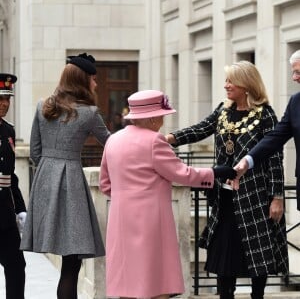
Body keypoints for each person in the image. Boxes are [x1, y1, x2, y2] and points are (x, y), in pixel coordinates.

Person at [165, 61, 289, 299]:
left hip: (256, 196)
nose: (226, 85)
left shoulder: (265, 115)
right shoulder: (223, 110)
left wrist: (277, 197)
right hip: (224, 197)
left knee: (256, 253)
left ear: (246, 84)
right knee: (224, 254)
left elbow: (275, 159)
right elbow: (200, 129)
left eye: (231, 81)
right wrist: (169, 138)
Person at [99, 89, 236, 299]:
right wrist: (216, 172)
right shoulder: (155, 141)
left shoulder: (113, 140)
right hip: (151, 221)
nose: (163, 120)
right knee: (156, 283)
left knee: (127, 282)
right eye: (162, 115)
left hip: (120, 219)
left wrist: (126, 197)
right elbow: (183, 174)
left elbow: (105, 183)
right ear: (153, 117)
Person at [20, 53, 111, 299]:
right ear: (81, 80)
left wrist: (50, 170)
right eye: (93, 78)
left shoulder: (42, 106)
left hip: (44, 182)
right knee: (72, 263)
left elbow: (35, 151)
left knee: (67, 260)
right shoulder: (90, 113)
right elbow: (112, 144)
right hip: (71, 182)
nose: (95, 84)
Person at [235, 50, 300, 211]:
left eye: (298, 72)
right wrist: (247, 161)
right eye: (293, 72)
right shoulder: (295, 102)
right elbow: (275, 137)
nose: (294, 78)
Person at [0, 73, 27, 299]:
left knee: (17, 267)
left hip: (5, 217)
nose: (5, 104)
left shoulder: (8, 130)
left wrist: (21, 209)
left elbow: (11, 177)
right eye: (0, 99)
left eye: (7, 99)